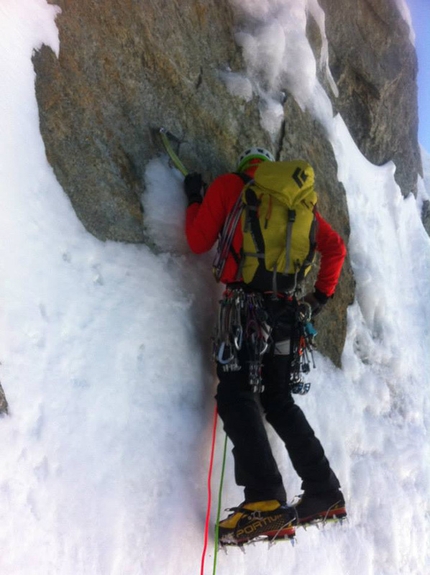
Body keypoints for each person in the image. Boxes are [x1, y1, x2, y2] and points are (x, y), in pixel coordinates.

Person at [184, 147, 347, 545]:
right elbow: (335, 249)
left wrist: (195, 200)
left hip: (244, 311)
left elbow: (197, 240)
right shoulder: (299, 204)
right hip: (288, 314)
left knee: (236, 394)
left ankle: (265, 501)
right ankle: (324, 491)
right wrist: (319, 299)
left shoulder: (231, 187)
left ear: (244, 166)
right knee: (277, 400)